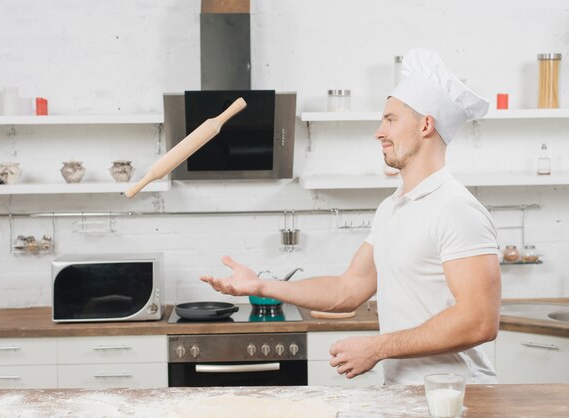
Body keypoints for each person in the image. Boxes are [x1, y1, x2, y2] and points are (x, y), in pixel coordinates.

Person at [200, 48, 501, 385]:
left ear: (426, 125)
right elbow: (348, 289)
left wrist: (377, 348)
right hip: (406, 396)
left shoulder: (456, 209)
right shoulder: (392, 208)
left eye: (390, 119)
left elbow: (479, 321)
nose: (379, 132)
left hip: (457, 396)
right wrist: (261, 285)